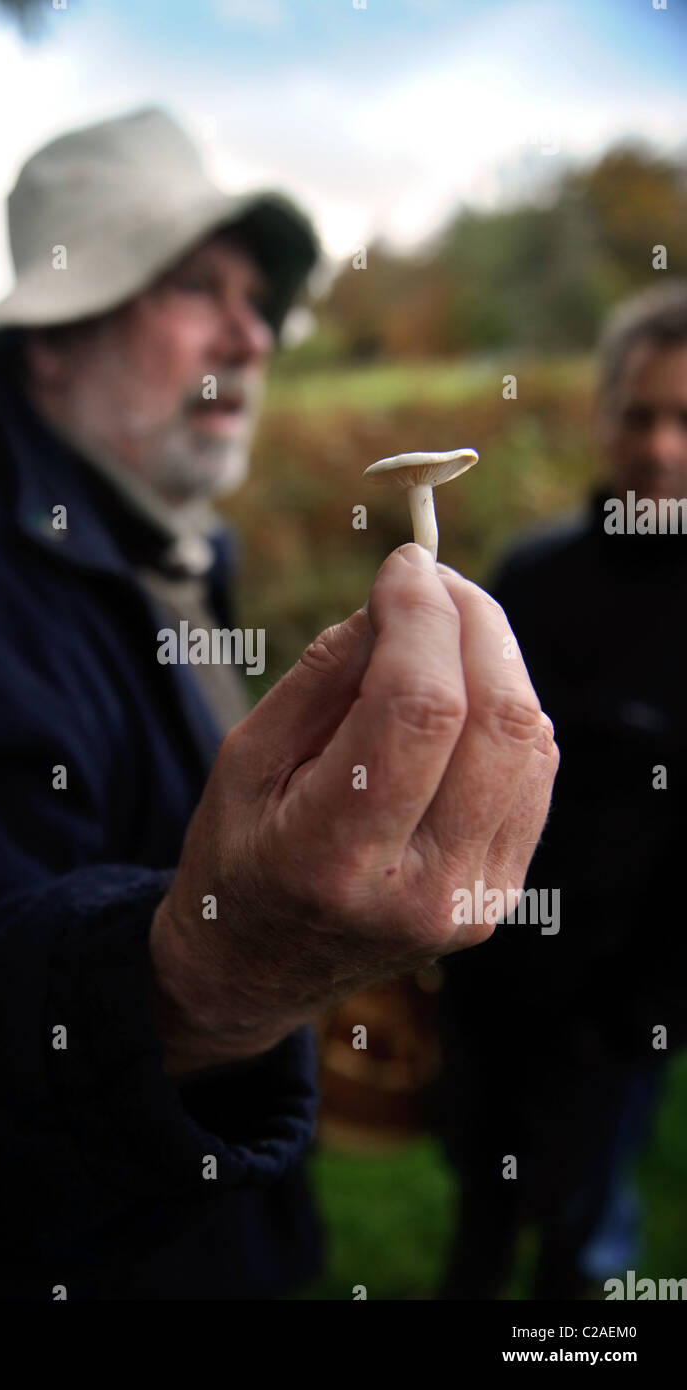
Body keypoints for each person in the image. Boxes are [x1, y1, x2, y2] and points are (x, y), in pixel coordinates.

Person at [0, 105, 557, 1301]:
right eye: (189, 285)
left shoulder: (168, 552)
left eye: (257, 298)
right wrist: (202, 973)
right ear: (50, 342)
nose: (252, 331)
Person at [435, 281, 687, 1300]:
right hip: (495, 982)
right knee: (478, 1213)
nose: (662, 444)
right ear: (602, 418)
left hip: (627, 1006)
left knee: (579, 1244)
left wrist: (645, 1012)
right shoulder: (527, 584)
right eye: (640, 413)